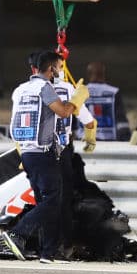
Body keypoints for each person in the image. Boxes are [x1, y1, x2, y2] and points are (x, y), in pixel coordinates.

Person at [0, 50, 88, 263]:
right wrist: (77, 99)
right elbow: (64, 112)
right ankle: (17, 233)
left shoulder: (20, 89)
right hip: (43, 153)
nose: (59, 71)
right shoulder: (44, 88)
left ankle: (47, 252)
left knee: (47, 202)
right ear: (50, 69)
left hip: (26, 152)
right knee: (52, 201)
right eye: (58, 67)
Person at [42, 53, 97, 258]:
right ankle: (63, 244)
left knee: (42, 197)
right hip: (62, 150)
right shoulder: (69, 89)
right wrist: (90, 139)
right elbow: (89, 122)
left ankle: (43, 242)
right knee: (63, 199)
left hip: (38, 149)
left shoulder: (33, 88)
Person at [85, 61, 132, 141]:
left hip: (84, 141)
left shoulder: (78, 92)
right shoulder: (114, 92)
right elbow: (121, 121)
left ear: (88, 75)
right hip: (108, 142)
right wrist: (125, 140)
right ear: (104, 74)